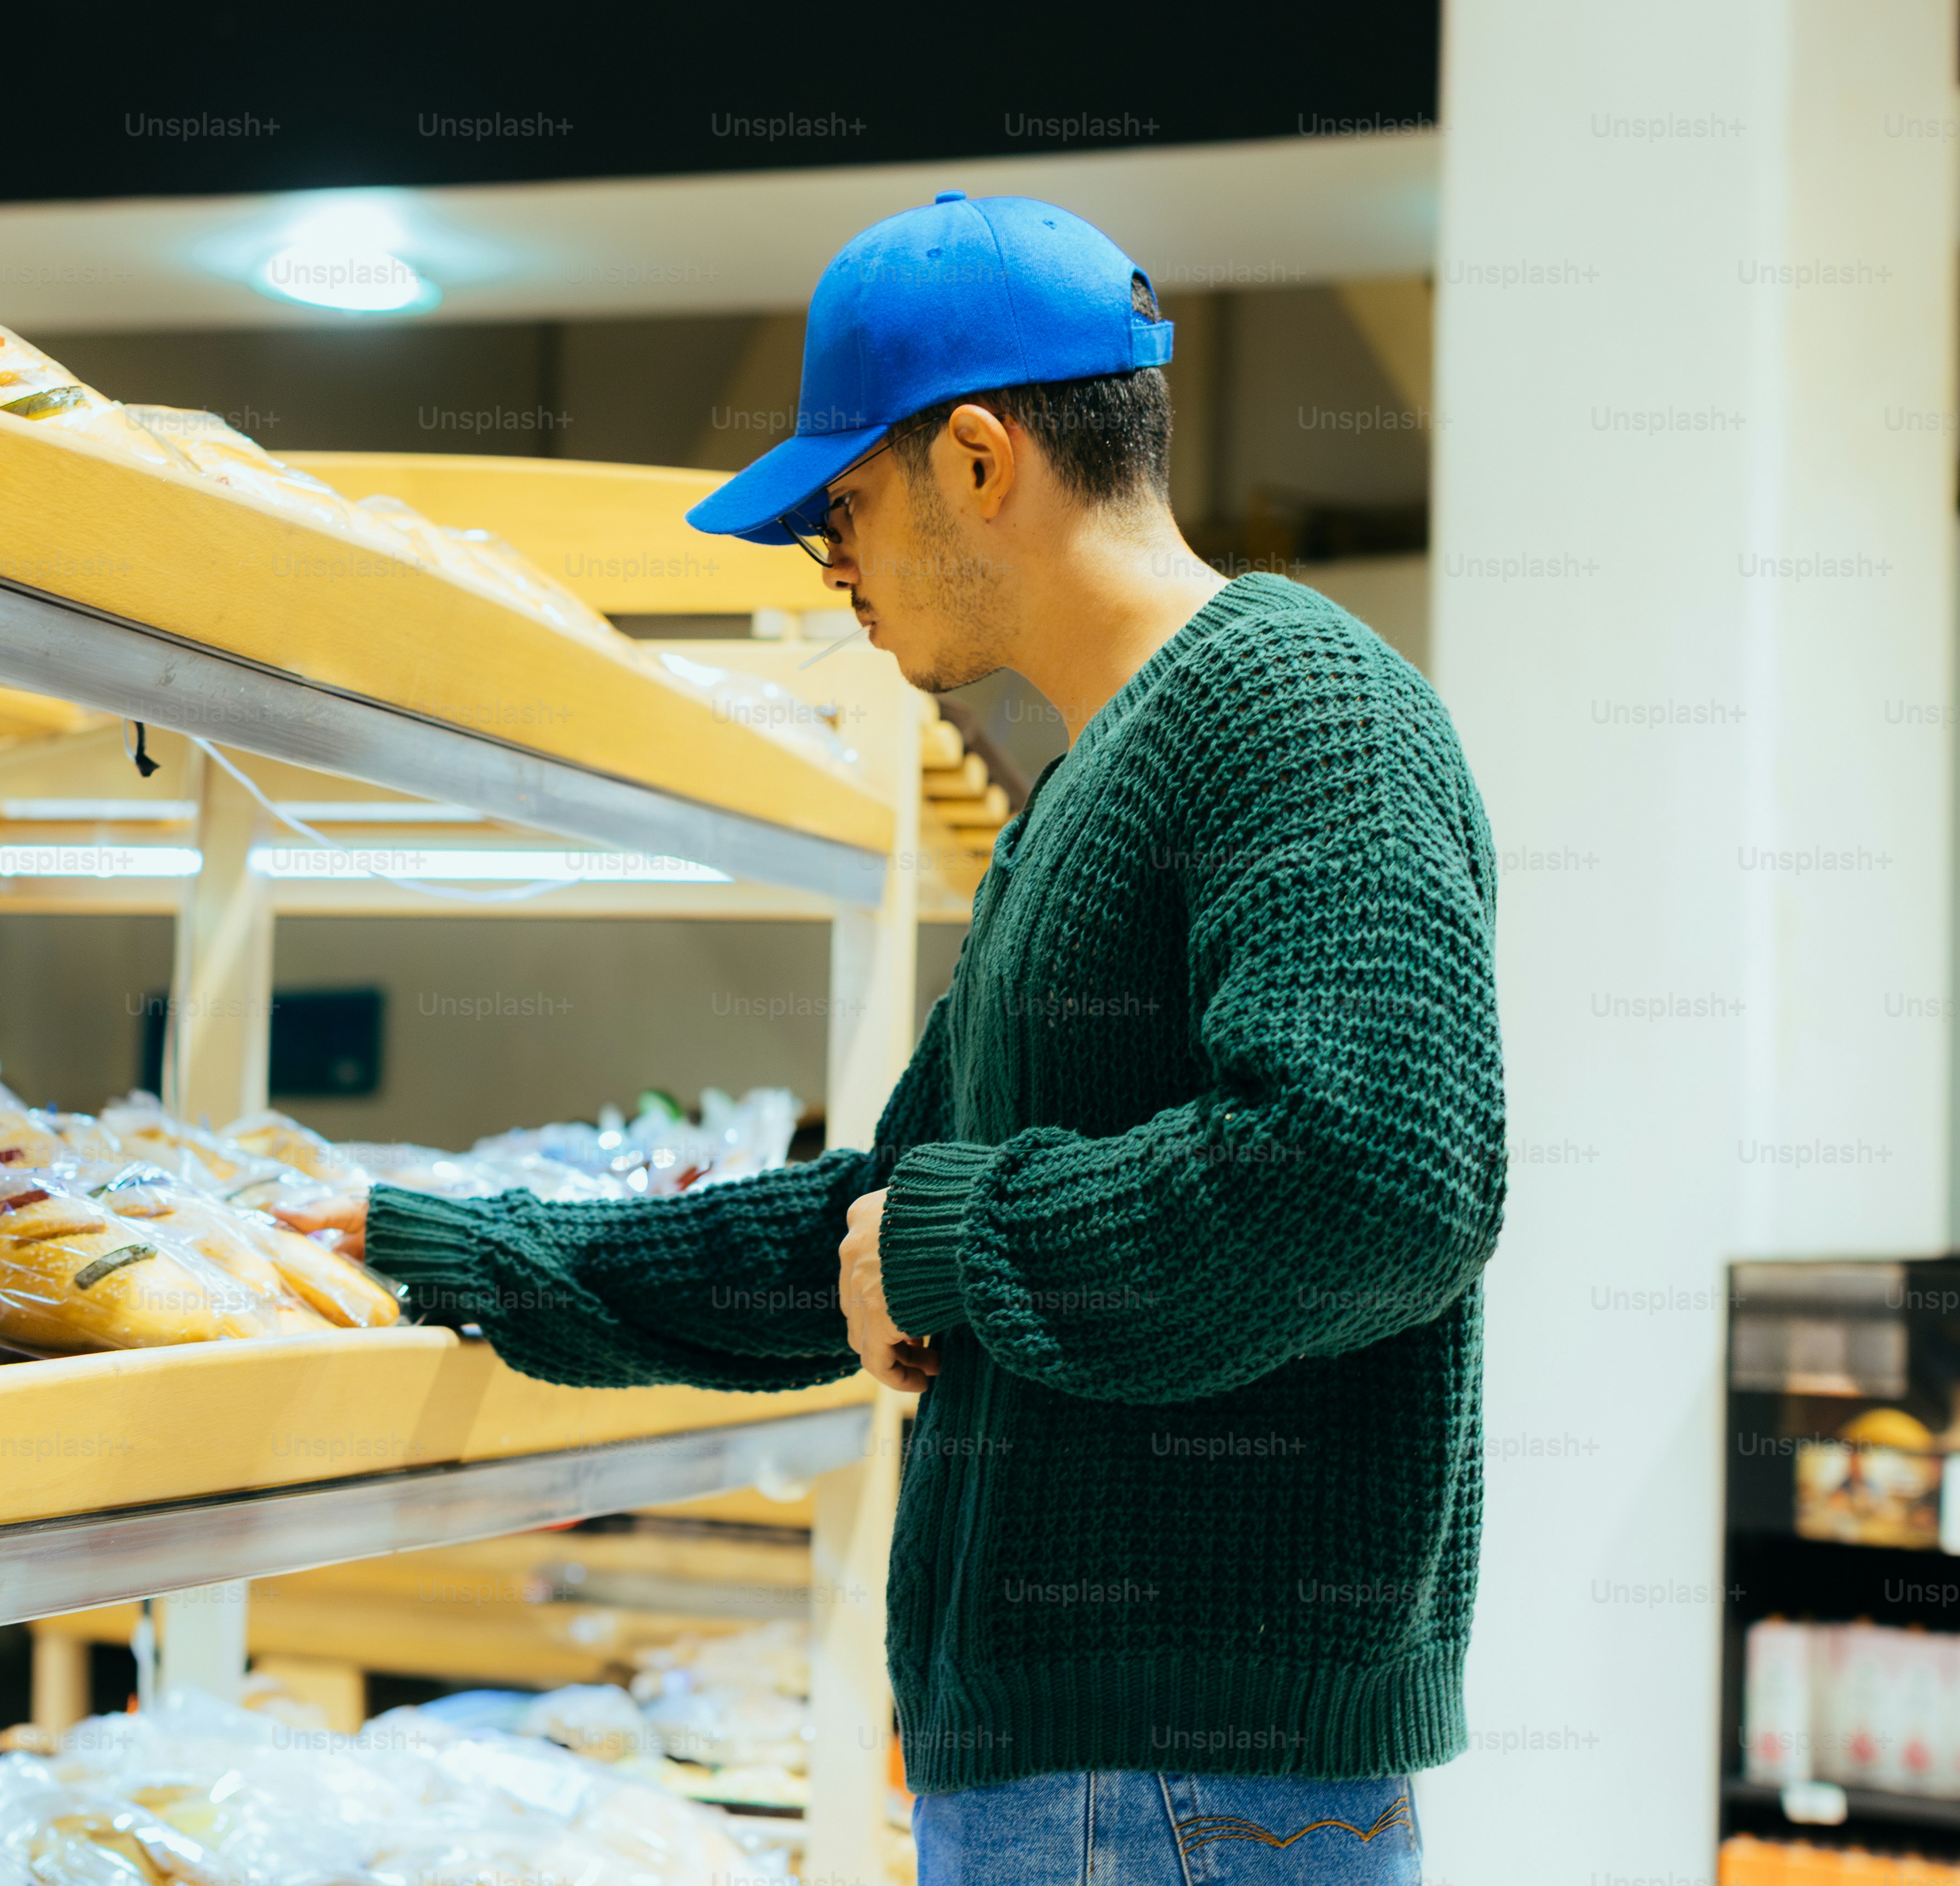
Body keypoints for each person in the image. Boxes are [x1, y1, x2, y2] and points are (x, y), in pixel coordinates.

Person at [358, 196, 1504, 1882]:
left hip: (1178, 1780)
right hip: (1101, 1775)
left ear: (976, 459)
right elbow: (866, 1232)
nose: (834, 574)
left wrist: (962, 1239)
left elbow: (1373, 1177)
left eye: (839, 514)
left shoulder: (1295, 702)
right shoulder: (1086, 789)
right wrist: (452, 1249)